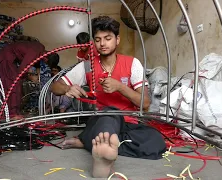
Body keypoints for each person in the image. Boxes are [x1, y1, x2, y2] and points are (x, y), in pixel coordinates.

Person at [50, 16, 166, 178]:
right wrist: (68, 88)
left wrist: (120, 87)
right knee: (109, 113)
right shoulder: (87, 66)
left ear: (117, 40)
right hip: (101, 121)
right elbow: (54, 87)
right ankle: (102, 160)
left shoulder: (132, 63)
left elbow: (145, 104)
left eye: (107, 38)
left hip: (128, 124)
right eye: (98, 40)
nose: (102, 44)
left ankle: (92, 142)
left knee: (156, 142)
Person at [0, 41, 59, 119]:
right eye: (46, 63)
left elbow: (36, 66)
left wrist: (36, 78)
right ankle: (11, 114)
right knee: (12, 85)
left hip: (11, 60)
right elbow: (23, 69)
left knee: (17, 85)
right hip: (6, 58)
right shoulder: (35, 51)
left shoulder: (40, 50)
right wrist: (29, 76)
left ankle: (15, 112)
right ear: (46, 59)